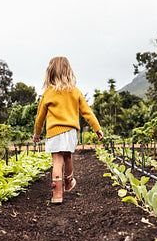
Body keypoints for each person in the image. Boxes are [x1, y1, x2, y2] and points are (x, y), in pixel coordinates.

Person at [33, 57, 104, 204]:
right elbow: (87, 112)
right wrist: (97, 128)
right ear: (68, 72)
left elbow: (40, 116)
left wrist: (37, 133)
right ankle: (68, 182)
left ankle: (57, 194)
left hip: (53, 132)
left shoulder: (48, 93)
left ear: (50, 73)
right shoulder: (75, 91)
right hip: (71, 131)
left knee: (57, 161)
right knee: (68, 156)